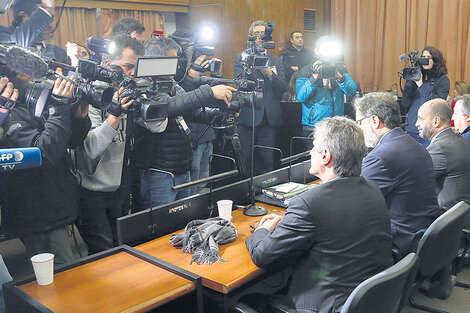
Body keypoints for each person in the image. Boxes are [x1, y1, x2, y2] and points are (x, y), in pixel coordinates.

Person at [245, 116, 393, 313]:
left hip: (327, 305)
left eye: (314, 147)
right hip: (369, 300)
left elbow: (262, 255)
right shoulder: (372, 189)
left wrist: (263, 229)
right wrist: (290, 223)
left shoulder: (309, 203)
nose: (309, 152)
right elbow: (334, 224)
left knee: (246, 300)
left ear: (325, 157)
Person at [0, 75, 91, 266]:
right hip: (36, 212)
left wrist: (77, 119)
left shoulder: (26, 102)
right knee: (59, 276)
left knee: (63, 271)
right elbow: (42, 153)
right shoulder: (7, 111)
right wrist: (60, 109)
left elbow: (66, 143)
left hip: (53, 203)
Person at [135, 37, 234, 208]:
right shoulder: (143, 86)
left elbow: (191, 111)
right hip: (160, 172)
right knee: (161, 225)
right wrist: (208, 93)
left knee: (181, 221)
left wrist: (222, 113)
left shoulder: (171, 83)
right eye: (173, 61)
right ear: (157, 61)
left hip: (182, 166)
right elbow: (169, 106)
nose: (178, 66)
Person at [73, 35, 145, 254]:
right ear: (107, 65)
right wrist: (115, 115)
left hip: (120, 188)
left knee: (123, 246)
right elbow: (90, 149)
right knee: (103, 253)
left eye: (136, 68)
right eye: (127, 66)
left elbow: (158, 125)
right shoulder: (90, 95)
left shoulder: (131, 91)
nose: (132, 73)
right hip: (90, 191)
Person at [356, 92, 441, 257]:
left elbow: (354, 204)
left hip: (402, 241)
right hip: (424, 233)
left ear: (374, 120)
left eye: (360, 122)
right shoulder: (415, 145)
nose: (360, 128)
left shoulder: (380, 156)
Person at [234, 20, 287, 175]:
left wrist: (269, 73)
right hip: (247, 117)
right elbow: (239, 84)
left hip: (269, 120)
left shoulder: (276, 60)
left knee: (267, 161)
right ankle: (244, 196)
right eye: (256, 34)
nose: (259, 37)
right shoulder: (241, 58)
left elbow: (283, 87)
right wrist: (248, 69)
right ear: (251, 36)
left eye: (262, 34)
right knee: (244, 161)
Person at [295, 36, 357, 146]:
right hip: (314, 126)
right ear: (316, 51)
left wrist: (340, 77)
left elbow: (351, 90)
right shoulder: (307, 71)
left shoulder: (341, 69)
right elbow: (300, 97)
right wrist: (314, 77)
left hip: (336, 125)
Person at [416, 98, 470, 211]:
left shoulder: (440, 148)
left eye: (420, 118)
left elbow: (415, 179)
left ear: (436, 121)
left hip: (449, 218)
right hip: (460, 213)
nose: (417, 124)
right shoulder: (458, 140)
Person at [401, 46, 450, 147]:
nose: (425, 60)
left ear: (435, 61)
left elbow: (438, 105)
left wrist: (421, 85)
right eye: (423, 57)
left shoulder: (443, 80)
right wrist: (410, 82)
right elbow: (405, 103)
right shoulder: (415, 76)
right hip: (412, 128)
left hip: (429, 131)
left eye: (428, 57)